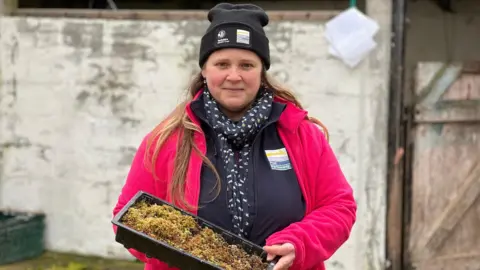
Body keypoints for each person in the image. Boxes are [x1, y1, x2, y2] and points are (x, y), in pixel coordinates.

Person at [112, 3, 357, 270]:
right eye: (222, 64)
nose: (234, 75)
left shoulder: (300, 134)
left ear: (261, 71)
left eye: (247, 65)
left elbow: (338, 207)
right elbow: (128, 215)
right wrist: (177, 251)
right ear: (205, 70)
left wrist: (298, 243)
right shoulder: (167, 140)